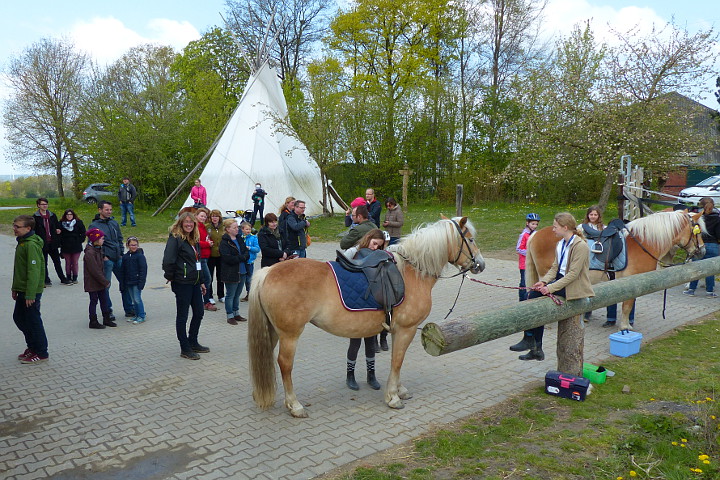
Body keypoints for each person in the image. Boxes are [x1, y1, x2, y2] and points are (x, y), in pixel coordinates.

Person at [521, 212, 594, 361]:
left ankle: (534, 343)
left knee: (536, 296)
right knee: (532, 294)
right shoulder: (561, 243)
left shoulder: (580, 246)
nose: (553, 230)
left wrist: (550, 289)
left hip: (574, 285)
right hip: (561, 281)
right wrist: (544, 282)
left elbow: (573, 274)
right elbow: (555, 267)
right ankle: (534, 344)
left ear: (565, 227)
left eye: (555, 227)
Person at [162, 212, 210, 360]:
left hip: (194, 282)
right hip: (182, 283)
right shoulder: (175, 239)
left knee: (199, 312)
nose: (189, 224)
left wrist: (201, 280)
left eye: (191, 222)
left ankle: (193, 341)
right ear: (181, 223)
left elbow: (198, 262)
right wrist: (172, 278)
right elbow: (168, 261)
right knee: (182, 316)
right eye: (186, 222)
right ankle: (185, 348)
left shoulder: (193, 239)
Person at [344, 229, 388, 390]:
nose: (376, 247)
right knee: (355, 342)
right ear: (368, 238)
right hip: (356, 305)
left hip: (371, 304)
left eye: (379, 246)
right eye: (374, 243)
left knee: (370, 341)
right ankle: (350, 375)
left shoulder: (377, 256)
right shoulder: (354, 252)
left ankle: (371, 375)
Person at [12, 215, 49, 364]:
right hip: (22, 289)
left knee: (33, 321)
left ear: (28, 228)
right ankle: (32, 347)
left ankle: (41, 352)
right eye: (14, 225)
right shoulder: (22, 243)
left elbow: (34, 271)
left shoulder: (31, 245)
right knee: (19, 318)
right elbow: (19, 269)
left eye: (17, 226)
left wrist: (31, 294)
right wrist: (15, 287)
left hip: (30, 292)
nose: (14, 229)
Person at [89, 200, 132, 319]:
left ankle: (129, 308)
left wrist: (121, 252)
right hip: (106, 260)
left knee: (125, 283)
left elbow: (119, 238)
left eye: (110, 209)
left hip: (118, 258)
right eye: (106, 209)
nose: (109, 212)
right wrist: (104, 257)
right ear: (100, 210)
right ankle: (108, 311)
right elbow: (93, 244)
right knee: (105, 286)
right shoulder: (95, 226)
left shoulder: (114, 223)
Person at [684, 197, 720, 297]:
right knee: (710, 270)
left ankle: (691, 289)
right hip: (713, 246)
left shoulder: (697, 218)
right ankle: (709, 291)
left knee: (696, 268)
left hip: (699, 245)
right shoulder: (717, 218)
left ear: (700, 206)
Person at [33, 197, 70, 286]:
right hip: (42, 243)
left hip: (53, 243)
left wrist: (58, 230)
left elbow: (57, 226)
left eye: (46, 204)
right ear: (38, 205)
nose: (45, 206)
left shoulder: (52, 215)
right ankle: (46, 279)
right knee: (44, 262)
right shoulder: (35, 217)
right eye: (43, 204)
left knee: (57, 262)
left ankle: (63, 278)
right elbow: (34, 230)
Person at [219, 219, 249, 324]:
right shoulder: (224, 242)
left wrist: (242, 257)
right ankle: (230, 315)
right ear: (227, 229)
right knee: (230, 294)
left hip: (242, 270)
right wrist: (241, 257)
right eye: (235, 227)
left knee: (238, 294)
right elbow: (228, 258)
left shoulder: (239, 238)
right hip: (231, 272)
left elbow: (246, 252)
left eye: (237, 227)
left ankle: (236, 313)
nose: (237, 229)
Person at [83, 228, 113, 329]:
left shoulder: (98, 249)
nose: (103, 240)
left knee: (104, 300)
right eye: (102, 238)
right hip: (93, 282)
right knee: (94, 301)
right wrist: (105, 281)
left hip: (99, 281)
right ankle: (93, 321)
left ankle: (106, 318)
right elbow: (94, 270)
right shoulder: (90, 253)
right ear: (95, 239)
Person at [120, 236, 147, 324]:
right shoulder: (125, 257)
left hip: (137, 281)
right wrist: (123, 283)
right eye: (131, 245)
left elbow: (143, 270)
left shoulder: (140, 256)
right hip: (129, 281)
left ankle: (141, 315)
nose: (133, 247)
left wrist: (141, 283)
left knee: (137, 299)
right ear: (128, 245)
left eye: (135, 245)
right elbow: (123, 270)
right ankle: (136, 315)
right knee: (133, 299)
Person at [195, 208, 216, 311]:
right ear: (196, 216)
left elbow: (204, 239)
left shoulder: (203, 227)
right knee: (206, 279)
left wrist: (209, 241)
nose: (203, 218)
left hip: (206, 256)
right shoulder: (196, 228)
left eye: (205, 216)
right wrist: (207, 244)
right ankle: (206, 301)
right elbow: (196, 242)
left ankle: (202, 300)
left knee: (204, 279)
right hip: (201, 257)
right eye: (201, 216)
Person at [59, 209, 86, 284]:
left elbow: (83, 232)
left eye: (70, 214)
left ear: (73, 215)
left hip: (76, 245)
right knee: (68, 262)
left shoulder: (78, 223)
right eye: (67, 215)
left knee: (74, 262)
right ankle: (68, 277)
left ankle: (75, 277)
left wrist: (80, 240)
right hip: (65, 245)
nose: (69, 216)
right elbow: (59, 234)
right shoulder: (61, 223)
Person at [517, 213, 540, 302]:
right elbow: (518, 248)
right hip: (524, 263)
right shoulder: (524, 235)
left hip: (534, 262)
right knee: (524, 282)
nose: (534, 226)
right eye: (533, 224)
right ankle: (522, 299)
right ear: (527, 223)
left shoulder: (535, 234)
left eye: (536, 224)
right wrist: (530, 253)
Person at [206, 209, 225, 304]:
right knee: (210, 276)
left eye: (216, 216)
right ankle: (209, 296)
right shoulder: (207, 227)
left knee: (221, 276)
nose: (214, 218)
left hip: (221, 255)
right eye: (213, 216)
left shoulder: (223, 227)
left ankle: (221, 295)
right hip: (211, 255)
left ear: (219, 217)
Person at [240, 221, 259, 301]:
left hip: (250, 261)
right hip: (242, 260)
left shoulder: (253, 238)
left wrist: (250, 248)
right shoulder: (240, 238)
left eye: (249, 229)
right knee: (242, 278)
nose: (248, 231)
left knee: (249, 279)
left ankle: (249, 293)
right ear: (242, 230)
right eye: (246, 229)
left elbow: (257, 249)